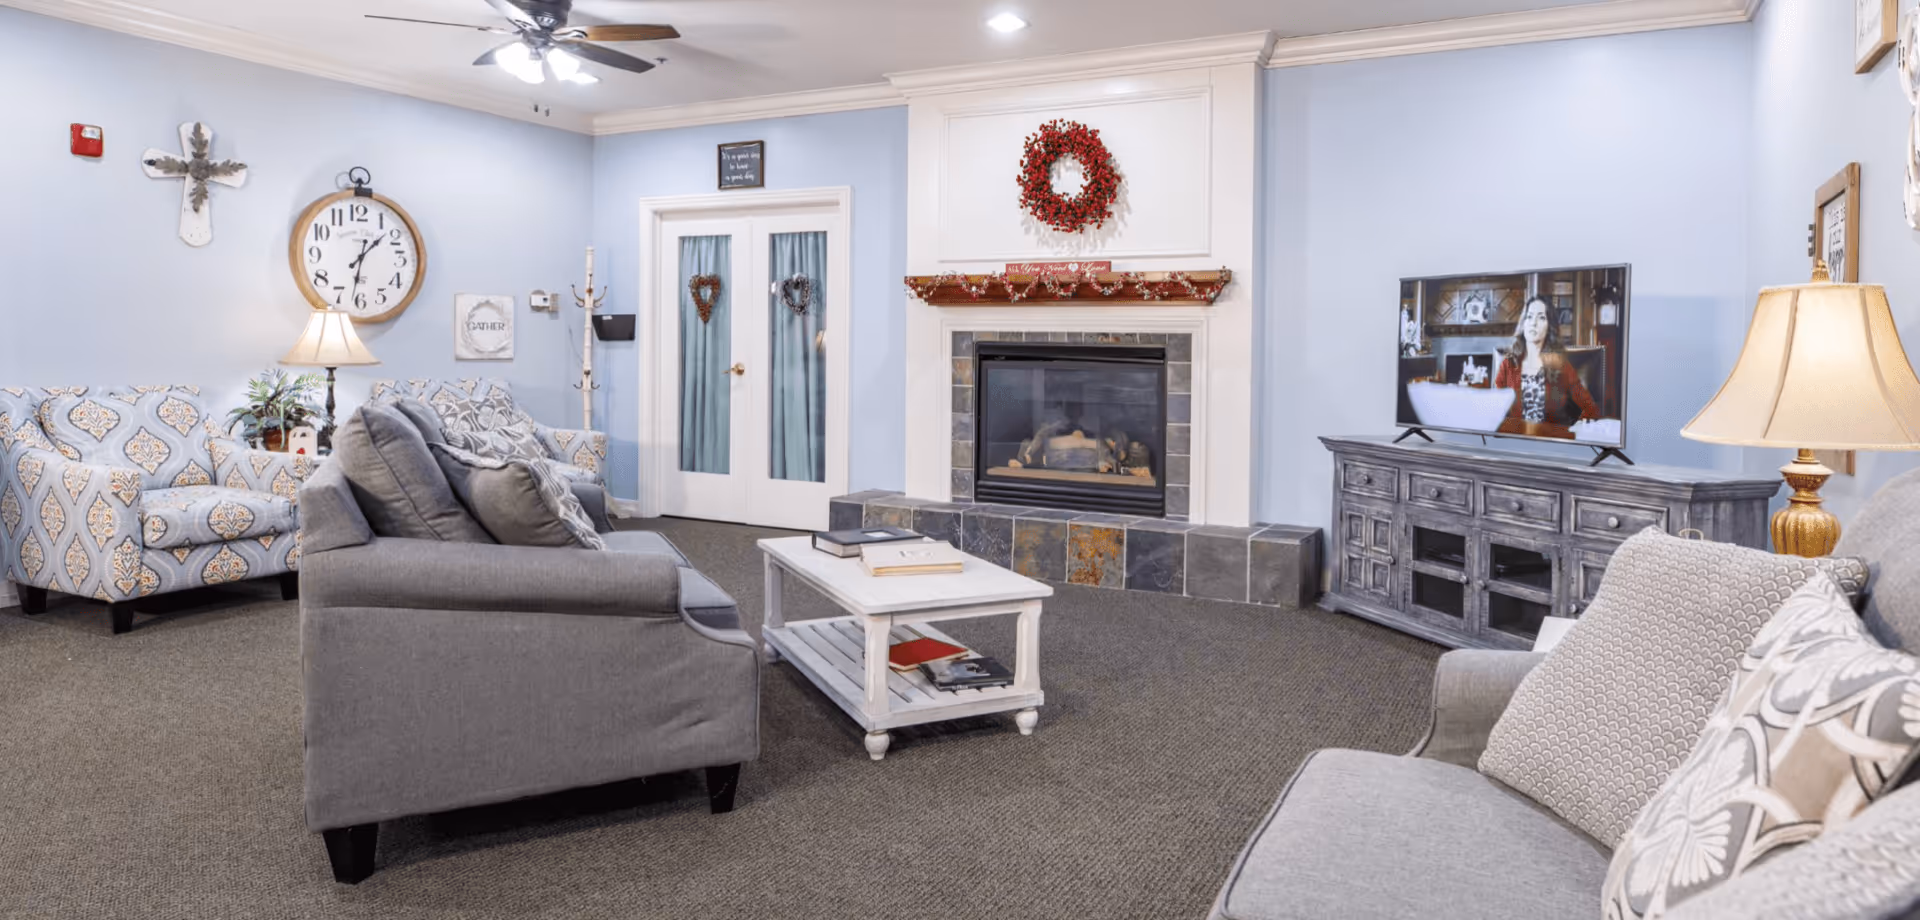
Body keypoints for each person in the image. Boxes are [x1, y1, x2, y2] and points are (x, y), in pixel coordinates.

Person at [1494, 295, 1600, 437]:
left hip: (1549, 444)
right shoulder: (1508, 365)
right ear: (1523, 323)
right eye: (1529, 317)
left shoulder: (1561, 366)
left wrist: (1578, 428)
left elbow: (1590, 408)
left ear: (1549, 326)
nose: (1533, 323)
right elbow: (1495, 411)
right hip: (1515, 443)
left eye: (1541, 317)